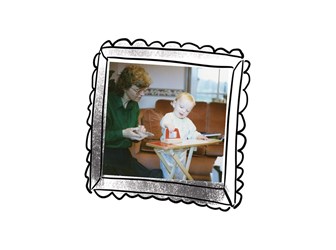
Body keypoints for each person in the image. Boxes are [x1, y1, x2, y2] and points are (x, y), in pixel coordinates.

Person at [103, 65, 163, 178]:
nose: (142, 94)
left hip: (124, 155)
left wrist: (138, 133)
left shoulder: (134, 105)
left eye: (144, 90)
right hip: (105, 156)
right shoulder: (106, 103)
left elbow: (131, 133)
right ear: (124, 87)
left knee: (155, 177)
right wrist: (123, 133)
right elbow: (97, 137)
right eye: (137, 90)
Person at [159, 92, 208, 179]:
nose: (183, 111)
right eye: (181, 107)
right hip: (167, 153)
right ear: (174, 103)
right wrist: (168, 125)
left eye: (187, 110)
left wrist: (198, 136)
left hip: (181, 153)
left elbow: (193, 132)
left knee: (180, 173)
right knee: (168, 174)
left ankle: (179, 187)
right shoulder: (169, 116)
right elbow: (163, 122)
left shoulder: (188, 121)